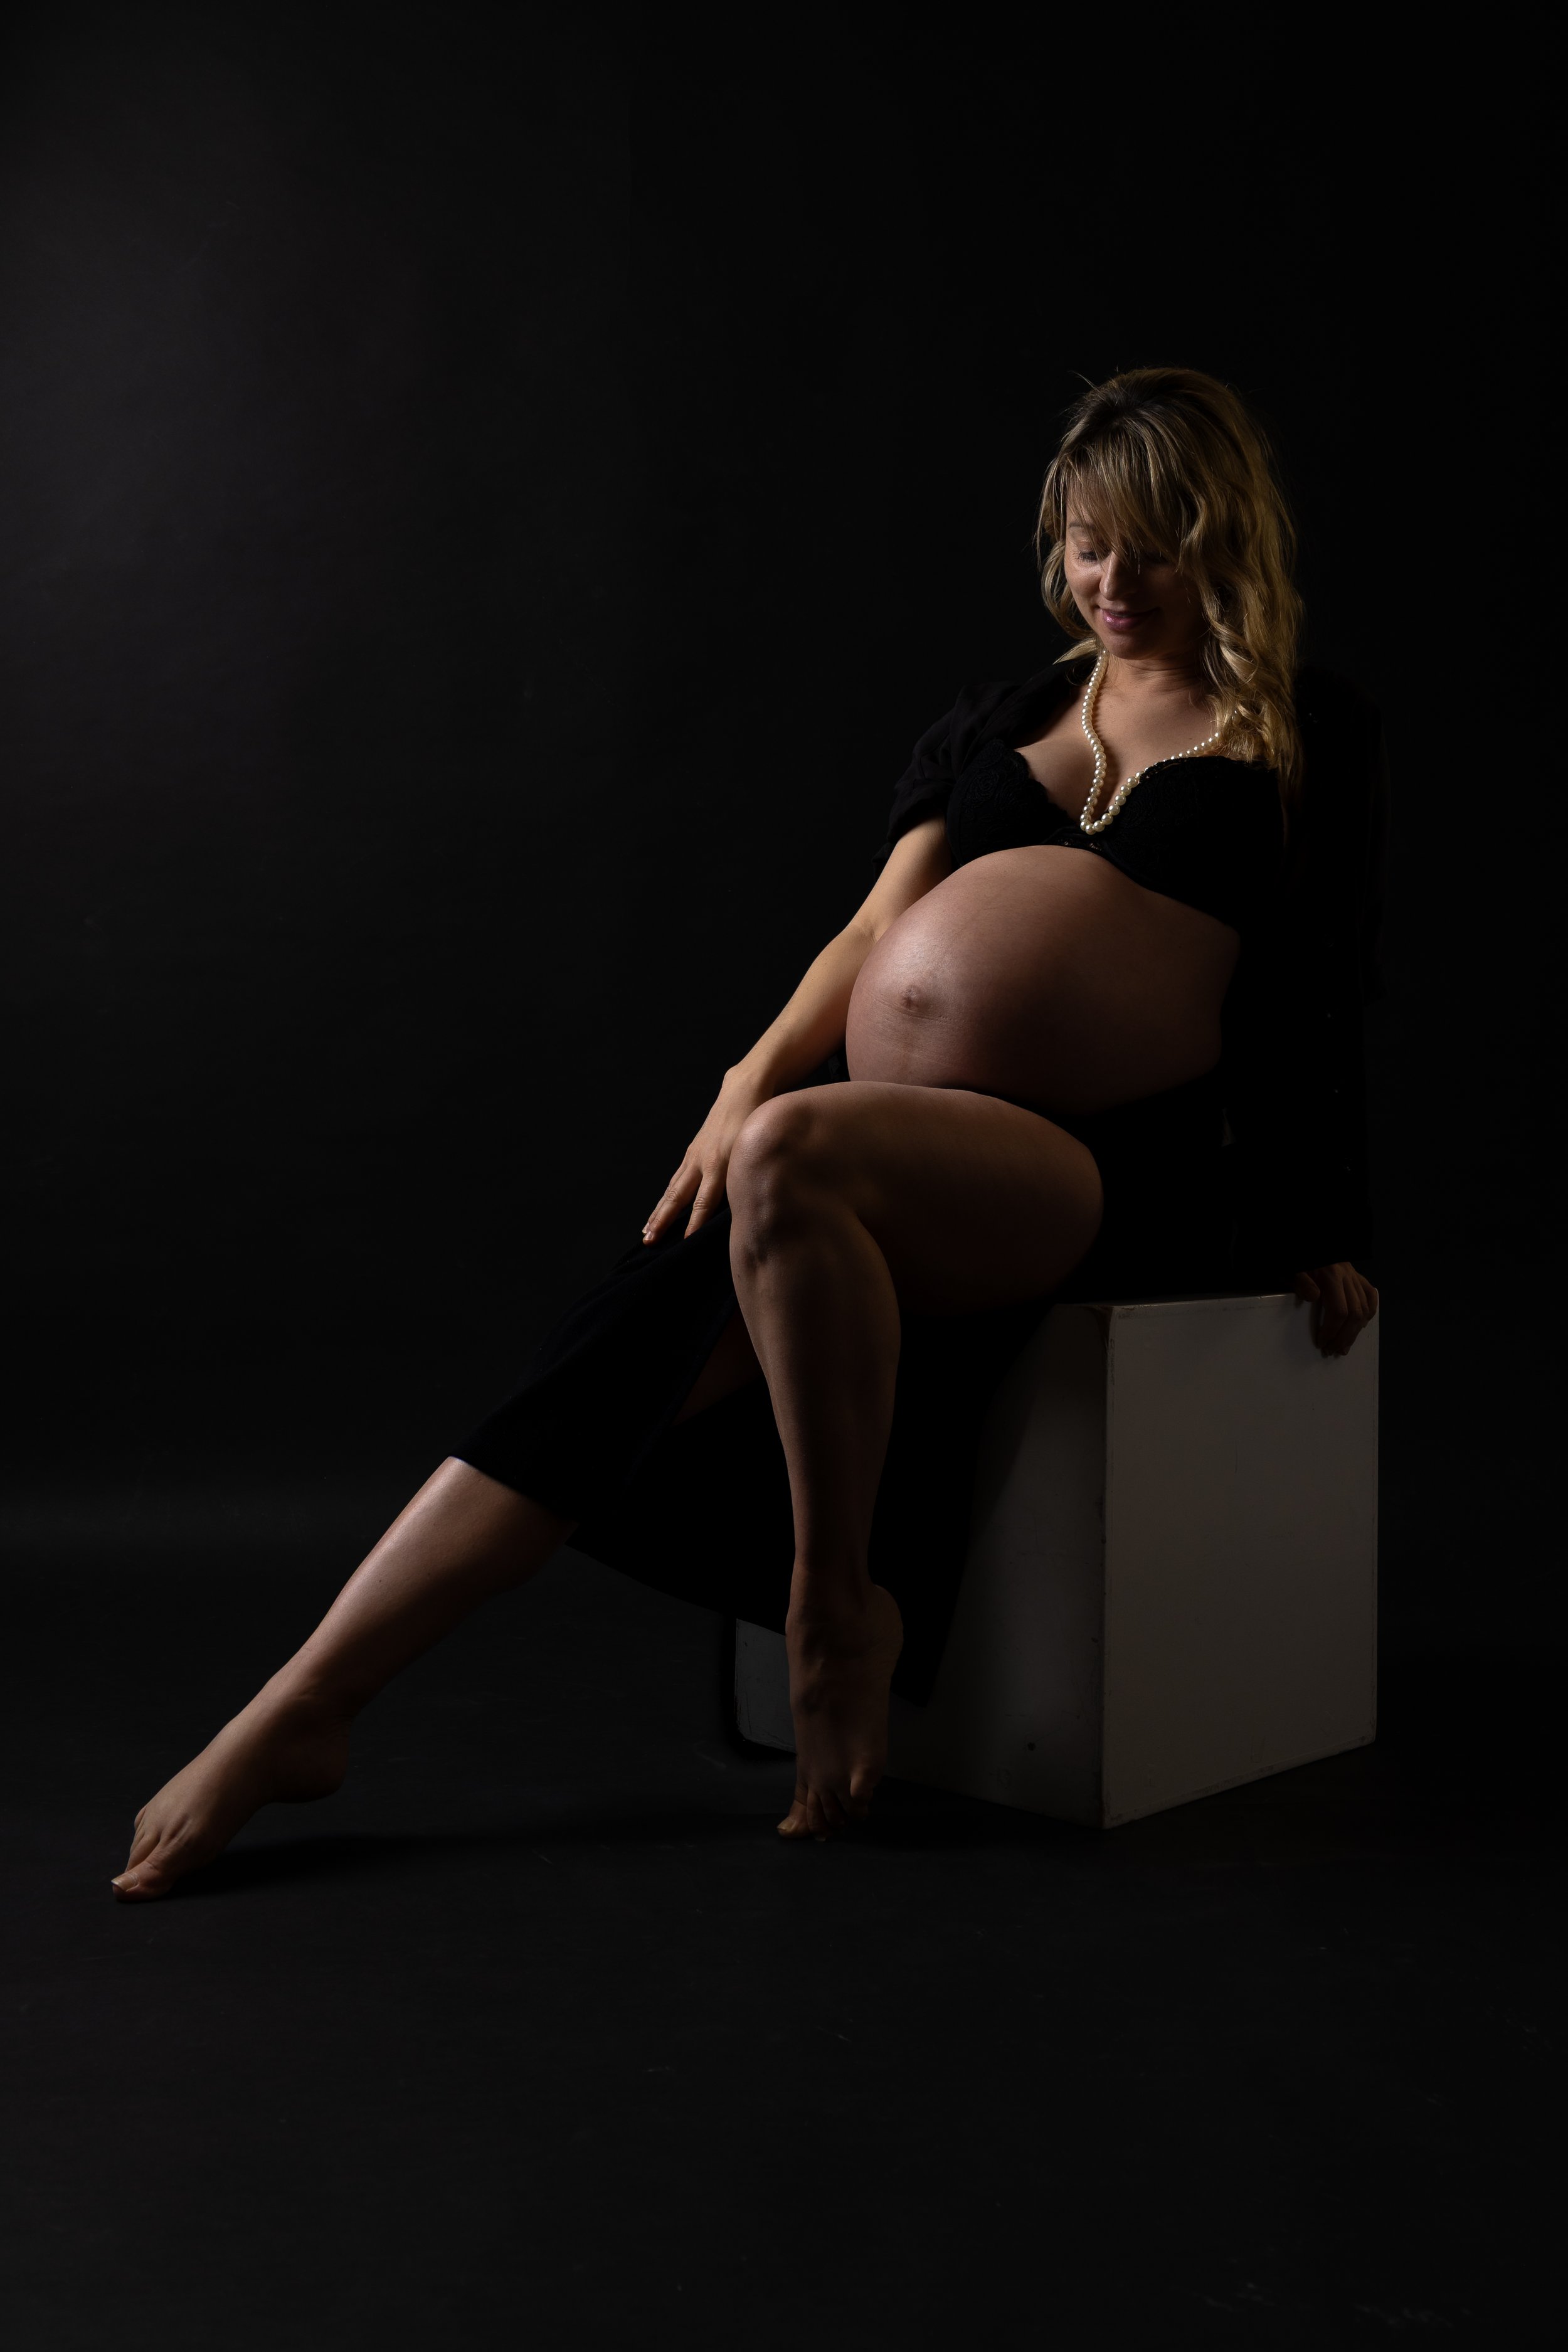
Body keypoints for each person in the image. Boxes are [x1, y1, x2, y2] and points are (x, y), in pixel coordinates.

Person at [112, 366, 1384, 1898]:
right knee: (634, 1333)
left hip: (1112, 1170)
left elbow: (1316, 995)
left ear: (1221, 536)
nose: (1112, 583)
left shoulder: (1296, 734)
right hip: (904, 1148)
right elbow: (871, 935)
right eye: (1086, 544)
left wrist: (1318, 1224)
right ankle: (303, 1706)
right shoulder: (1005, 716)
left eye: (1152, 547)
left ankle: (831, 1604)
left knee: (790, 1162)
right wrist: (739, 1083)